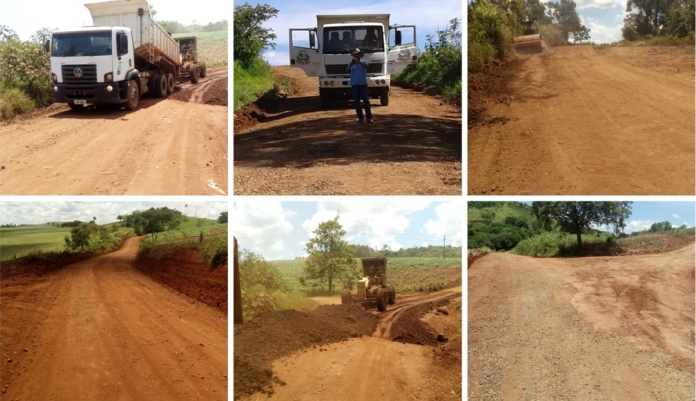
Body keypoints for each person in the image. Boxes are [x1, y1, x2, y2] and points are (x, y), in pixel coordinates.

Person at [345, 48, 373, 123]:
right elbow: (346, 70)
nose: (356, 56)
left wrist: (359, 63)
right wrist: (351, 64)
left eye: (357, 54)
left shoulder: (363, 62)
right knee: (356, 102)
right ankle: (360, 117)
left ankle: (369, 118)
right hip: (354, 84)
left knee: (366, 101)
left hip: (363, 84)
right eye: (355, 55)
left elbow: (367, 66)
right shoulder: (351, 64)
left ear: (360, 55)